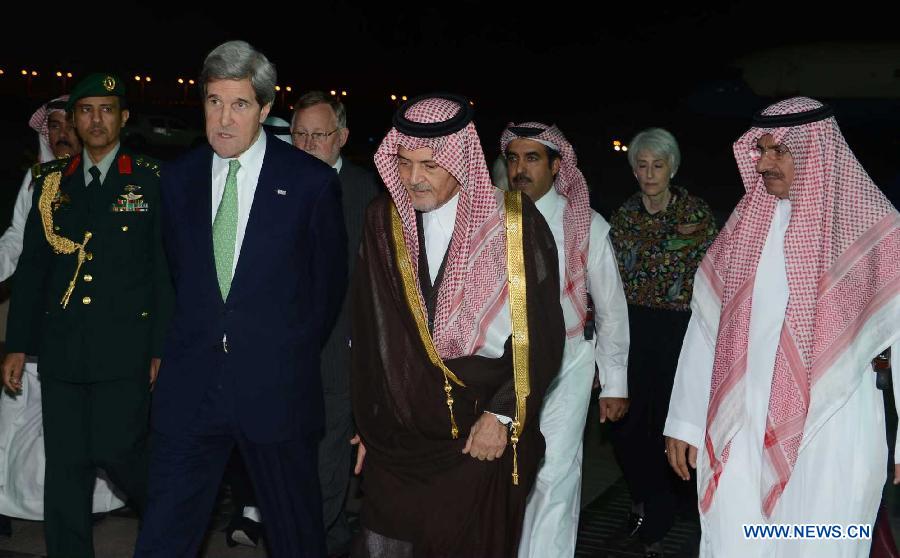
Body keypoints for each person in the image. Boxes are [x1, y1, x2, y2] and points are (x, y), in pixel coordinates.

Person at [134, 40, 347, 558]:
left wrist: (278, 347)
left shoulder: (309, 183)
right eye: (213, 102)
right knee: (163, 536)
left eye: (240, 104)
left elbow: (327, 290)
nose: (224, 119)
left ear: (266, 108)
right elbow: (173, 275)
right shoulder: (178, 180)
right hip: (191, 390)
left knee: (296, 537)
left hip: (275, 392)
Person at [664, 97, 900, 558]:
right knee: (737, 537)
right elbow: (706, 332)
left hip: (834, 423)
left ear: (814, 153)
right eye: (762, 150)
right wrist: (687, 421)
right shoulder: (743, 231)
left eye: (779, 151)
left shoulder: (877, 233)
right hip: (744, 420)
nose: (764, 162)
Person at [351, 93, 565, 557]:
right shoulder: (380, 221)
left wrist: (503, 414)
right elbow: (371, 333)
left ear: (461, 157)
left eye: (429, 165)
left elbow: (541, 333)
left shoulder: (513, 222)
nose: (413, 179)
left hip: (479, 431)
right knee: (383, 542)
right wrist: (369, 423)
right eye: (404, 164)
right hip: (401, 439)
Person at [1, 73, 172, 558]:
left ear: (123, 117)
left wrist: (160, 347)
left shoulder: (151, 179)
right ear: (74, 121)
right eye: (86, 110)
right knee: (66, 468)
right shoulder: (50, 183)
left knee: (118, 449)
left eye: (106, 109)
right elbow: (33, 269)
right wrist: (17, 343)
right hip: (62, 348)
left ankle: (171, 516)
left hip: (125, 349)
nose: (96, 119)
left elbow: (164, 272)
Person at [501, 122, 630, 558]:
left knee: (554, 473)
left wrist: (614, 383)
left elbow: (611, 309)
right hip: (501, 367)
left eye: (532, 158)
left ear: (557, 166)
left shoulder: (586, 224)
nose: (520, 169)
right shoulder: (490, 220)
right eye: (513, 158)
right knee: (502, 475)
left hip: (567, 365)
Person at [0, 95, 127, 535]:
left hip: (86, 334)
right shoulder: (36, 181)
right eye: (50, 126)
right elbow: (17, 242)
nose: (58, 134)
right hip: (35, 331)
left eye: (64, 124)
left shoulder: (111, 182)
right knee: (12, 424)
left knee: (82, 435)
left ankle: (86, 507)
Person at [608, 127, 718, 557]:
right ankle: (649, 502)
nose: (650, 174)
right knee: (629, 425)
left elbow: (717, 280)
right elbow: (606, 281)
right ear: (633, 170)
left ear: (672, 167)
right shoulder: (623, 217)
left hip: (681, 331)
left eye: (658, 165)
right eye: (642, 165)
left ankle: (681, 508)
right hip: (633, 328)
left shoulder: (698, 214)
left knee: (676, 422)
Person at [292, 90, 381, 556]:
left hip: (335, 358)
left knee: (326, 469)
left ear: (342, 138)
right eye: (299, 134)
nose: (307, 145)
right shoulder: (273, 185)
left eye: (319, 136)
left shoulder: (366, 197)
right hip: (282, 359)